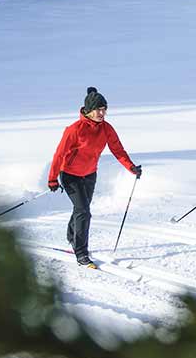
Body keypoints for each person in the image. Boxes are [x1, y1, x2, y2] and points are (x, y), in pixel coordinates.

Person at [48, 87, 141, 268]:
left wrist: (131, 167)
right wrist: (52, 179)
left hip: (90, 174)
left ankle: (71, 235)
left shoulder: (106, 129)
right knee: (84, 211)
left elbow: (118, 150)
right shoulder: (74, 130)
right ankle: (81, 253)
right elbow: (59, 155)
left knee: (81, 208)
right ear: (89, 110)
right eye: (98, 109)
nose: (102, 113)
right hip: (70, 175)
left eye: (104, 109)